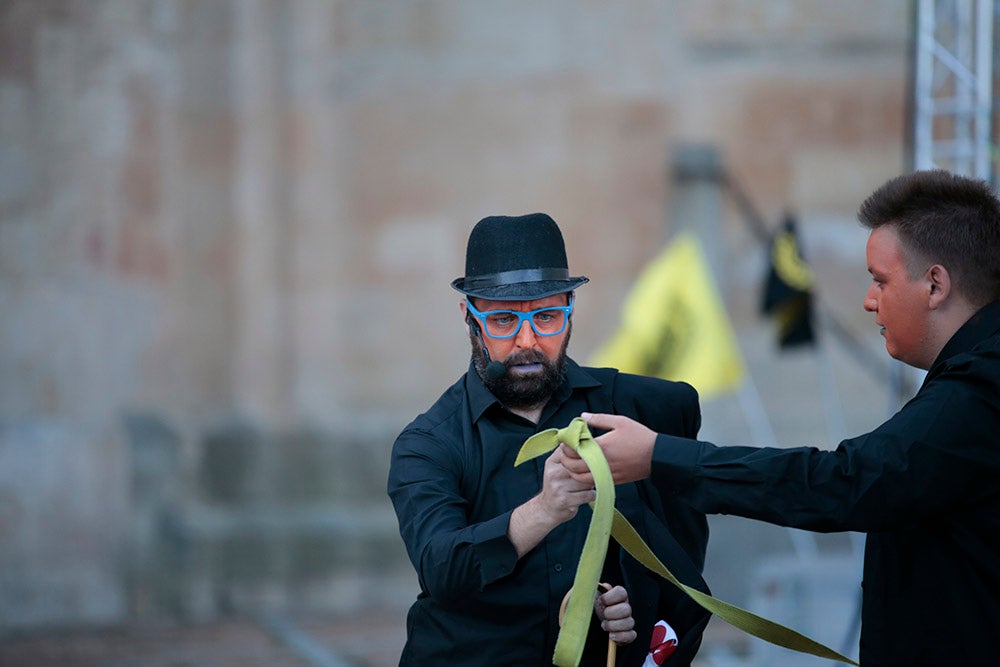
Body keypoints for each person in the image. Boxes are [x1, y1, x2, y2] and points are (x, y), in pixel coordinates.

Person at [561, 169, 1000, 666]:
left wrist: (660, 456)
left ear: (936, 284)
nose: (868, 299)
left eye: (880, 280)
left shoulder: (977, 395)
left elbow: (842, 482)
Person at [387, 213, 713, 666]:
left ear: (570, 309)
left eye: (546, 316)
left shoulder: (641, 409)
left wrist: (632, 601)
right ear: (469, 316)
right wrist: (543, 510)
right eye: (502, 320)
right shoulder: (427, 443)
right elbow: (442, 569)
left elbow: (680, 555)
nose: (527, 340)